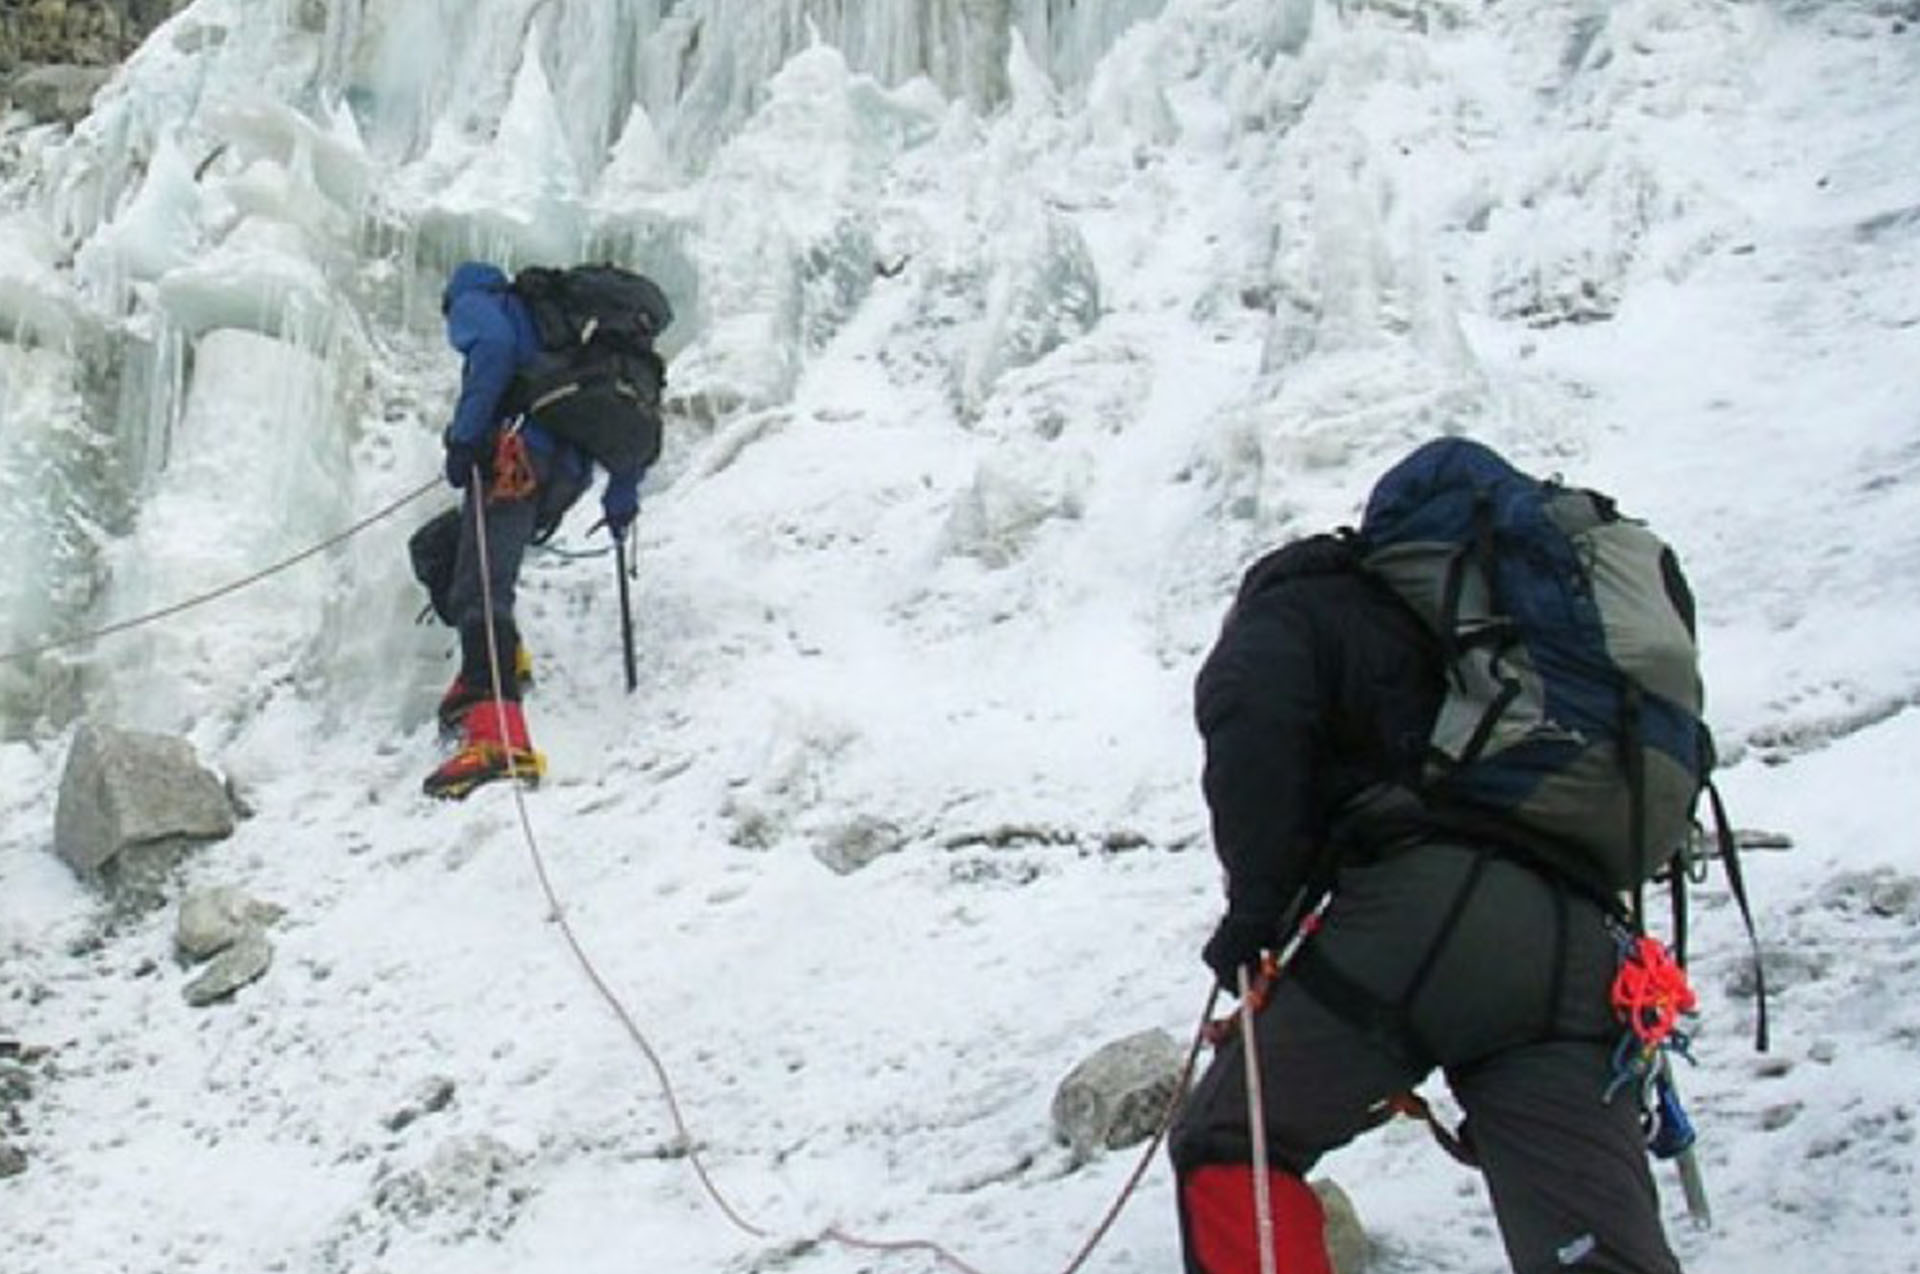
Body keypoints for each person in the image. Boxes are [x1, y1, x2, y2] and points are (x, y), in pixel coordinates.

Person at [1168, 528, 1684, 1273]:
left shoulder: (1287, 611)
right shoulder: (1480, 637)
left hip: (1433, 914)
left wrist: (1256, 919)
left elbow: (1256, 739)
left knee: (1229, 1143)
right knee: (1596, 1254)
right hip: (1582, 937)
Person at [423, 260, 643, 800]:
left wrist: (465, 438)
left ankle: (501, 740)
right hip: (559, 477)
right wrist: (622, 494)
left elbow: (492, 349)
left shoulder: (482, 302)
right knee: (436, 550)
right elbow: (619, 427)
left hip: (513, 462)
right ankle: (493, 668)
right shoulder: (571, 339)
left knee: (481, 593)